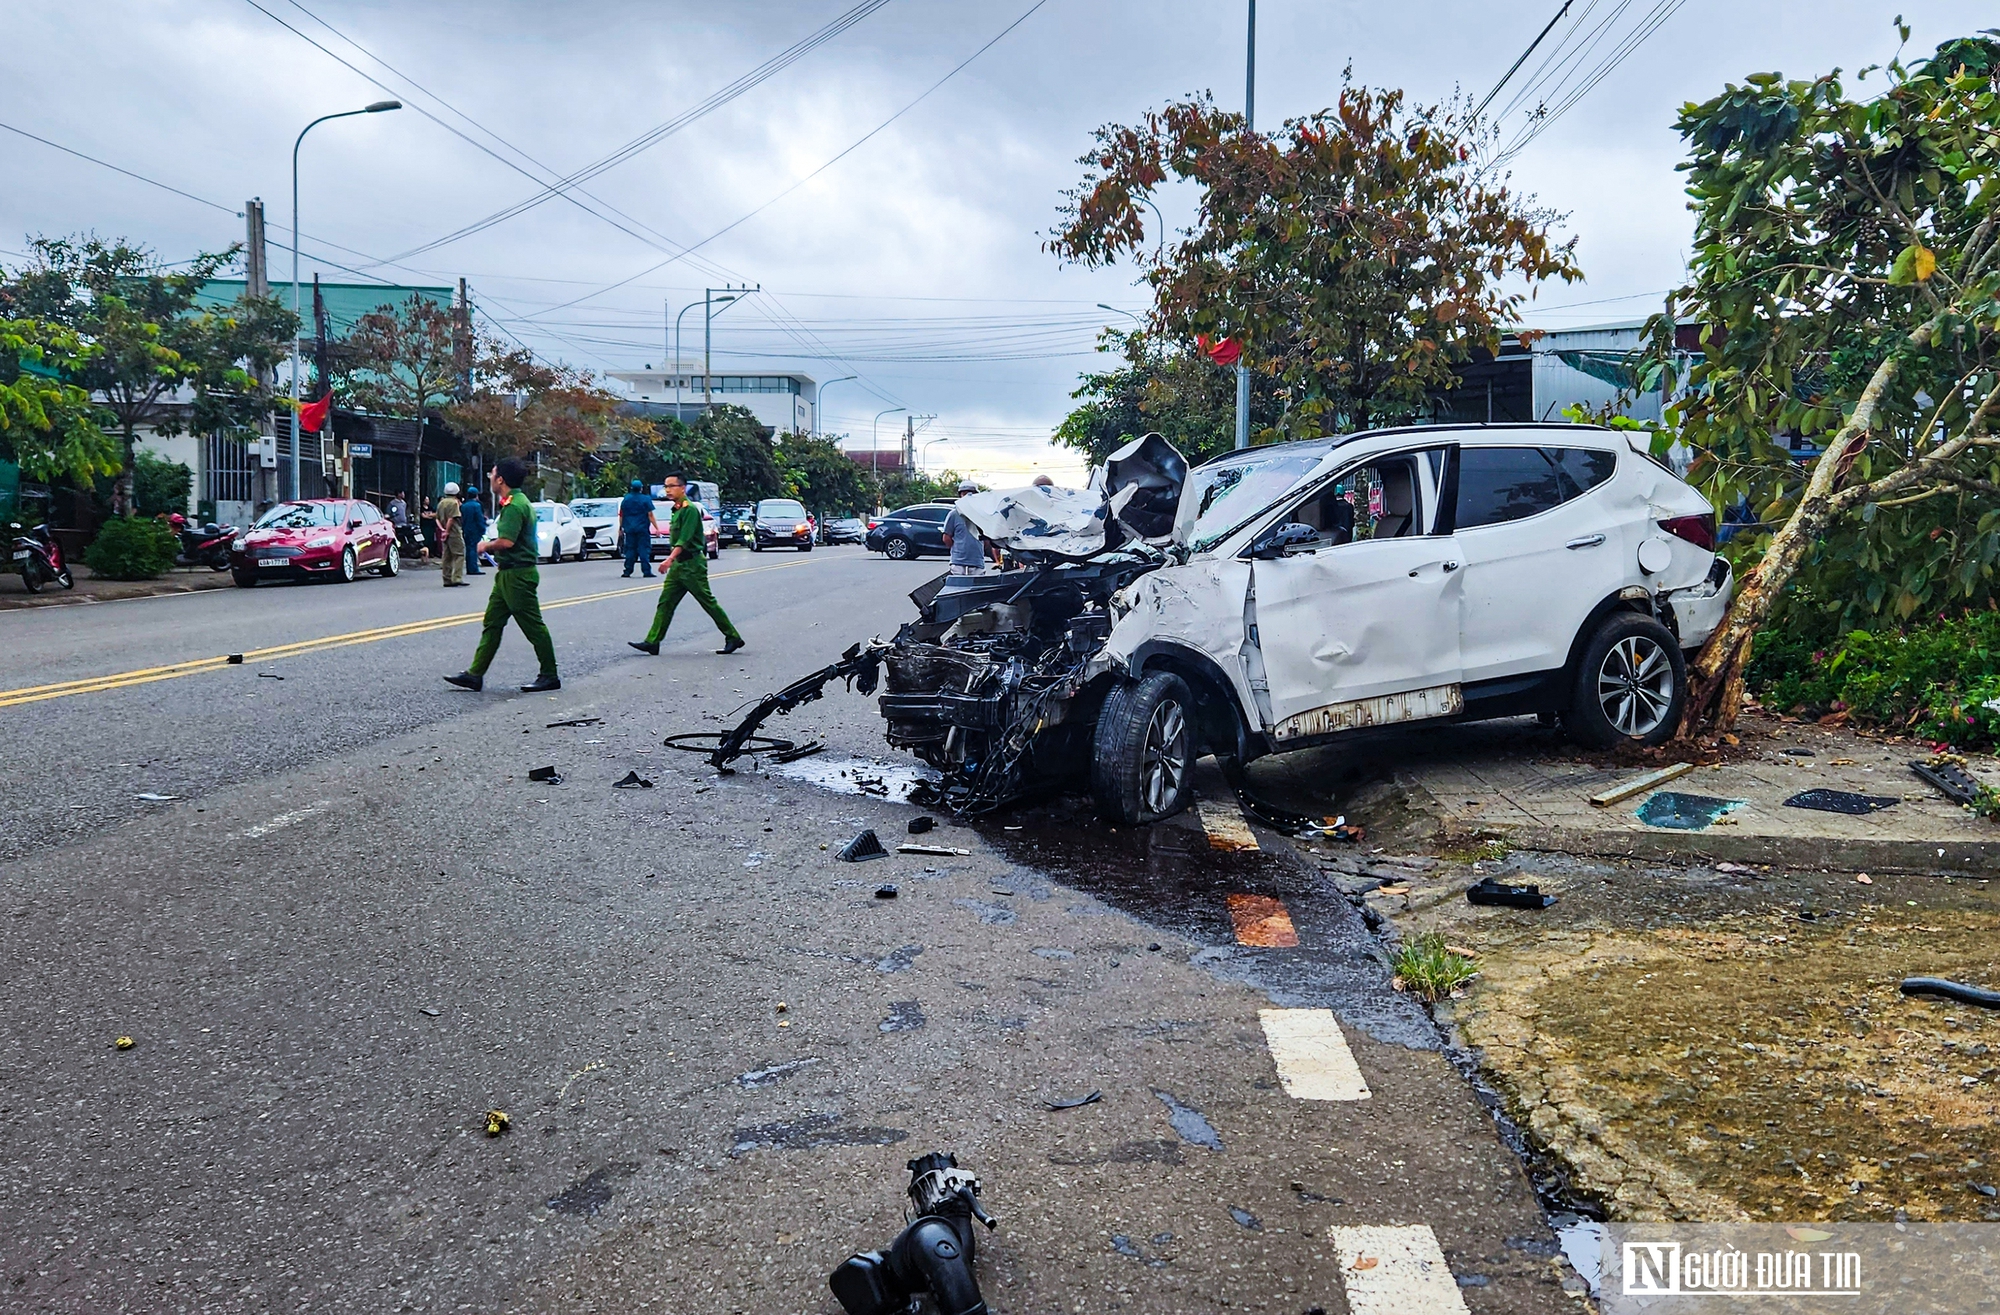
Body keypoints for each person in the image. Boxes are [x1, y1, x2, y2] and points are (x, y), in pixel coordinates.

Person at [445, 458, 560, 693]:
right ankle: (475, 674)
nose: (489, 477)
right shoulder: (515, 501)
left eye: (492, 473)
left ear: (501, 480)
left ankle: (550, 674)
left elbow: (507, 541)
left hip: (518, 575)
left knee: (533, 626)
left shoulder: (514, 506)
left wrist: (484, 546)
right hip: (508, 574)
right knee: (492, 623)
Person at [627, 473, 743, 656]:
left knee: (708, 602)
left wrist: (669, 559)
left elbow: (685, 539)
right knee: (665, 603)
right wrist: (673, 561)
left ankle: (733, 636)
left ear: (683, 488)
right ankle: (653, 641)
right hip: (679, 566)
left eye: (672, 486)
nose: (668, 490)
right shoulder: (677, 509)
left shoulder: (690, 510)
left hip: (692, 564)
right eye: (666, 486)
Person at [941, 479, 1000, 576]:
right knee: (957, 589)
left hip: (977, 563)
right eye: (964, 494)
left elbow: (986, 540)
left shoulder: (982, 514)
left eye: (970, 493)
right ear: (960, 495)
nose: (967, 496)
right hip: (958, 563)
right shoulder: (954, 514)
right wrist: (958, 549)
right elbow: (946, 538)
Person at [617, 477, 659, 578]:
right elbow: (650, 515)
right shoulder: (645, 499)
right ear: (641, 488)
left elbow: (621, 515)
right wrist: (656, 528)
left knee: (630, 549)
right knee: (643, 549)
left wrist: (620, 528)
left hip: (629, 529)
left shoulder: (626, 499)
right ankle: (646, 571)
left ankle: (627, 571)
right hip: (642, 528)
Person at [436, 482, 467, 587]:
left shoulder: (441, 503)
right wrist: (447, 531)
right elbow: (452, 518)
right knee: (459, 554)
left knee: (446, 556)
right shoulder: (454, 503)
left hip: (444, 530)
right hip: (454, 531)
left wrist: (442, 530)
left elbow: (437, 518)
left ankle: (447, 579)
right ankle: (457, 578)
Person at [460, 486, 486, 576]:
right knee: (473, 549)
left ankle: (469, 567)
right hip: (474, 530)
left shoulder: (463, 506)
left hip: (466, 529)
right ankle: (474, 568)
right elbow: (479, 518)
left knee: (468, 548)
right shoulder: (477, 506)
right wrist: (483, 529)